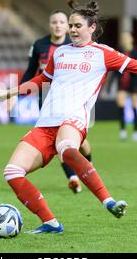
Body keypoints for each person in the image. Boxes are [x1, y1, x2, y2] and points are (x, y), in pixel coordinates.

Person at [0, 0, 137, 233]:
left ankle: (109, 201)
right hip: (45, 123)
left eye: (77, 26)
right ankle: (51, 223)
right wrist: (11, 92)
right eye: (71, 26)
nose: (72, 30)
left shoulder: (103, 54)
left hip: (72, 119)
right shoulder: (61, 53)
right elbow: (43, 79)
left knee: (66, 147)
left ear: (92, 28)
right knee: (12, 172)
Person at [20, 10, 92, 194]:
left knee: (82, 144)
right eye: (54, 22)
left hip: (72, 99)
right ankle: (74, 177)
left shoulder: (74, 45)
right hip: (46, 99)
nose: (58, 25)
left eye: (61, 22)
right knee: (61, 140)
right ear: (50, 24)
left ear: (67, 25)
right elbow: (30, 72)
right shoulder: (39, 45)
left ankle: (88, 165)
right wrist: (17, 94)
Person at [110, 32, 137, 141]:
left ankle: (135, 131)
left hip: (134, 84)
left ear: (131, 39)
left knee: (135, 106)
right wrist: (110, 84)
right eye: (123, 37)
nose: (125, 39)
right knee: (121, 106)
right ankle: (123, 131)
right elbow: (115, 70)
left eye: (127, 37)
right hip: (122, 83)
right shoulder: (118, 52)